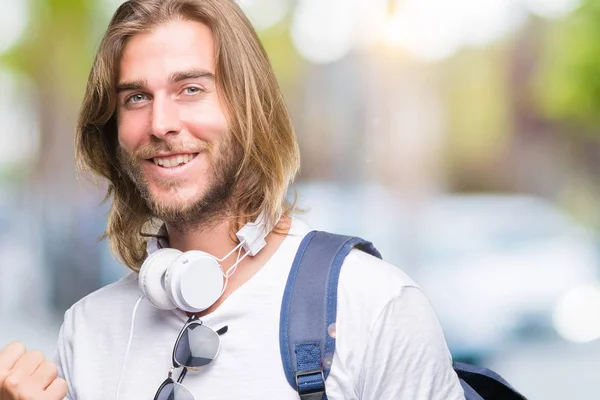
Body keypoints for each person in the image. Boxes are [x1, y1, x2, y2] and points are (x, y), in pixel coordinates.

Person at [0, 0, 465, 399]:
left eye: (191, 89)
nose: (161, 123)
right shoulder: (88, 331)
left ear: (249, 107)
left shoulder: (371, 304)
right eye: (137, 97)